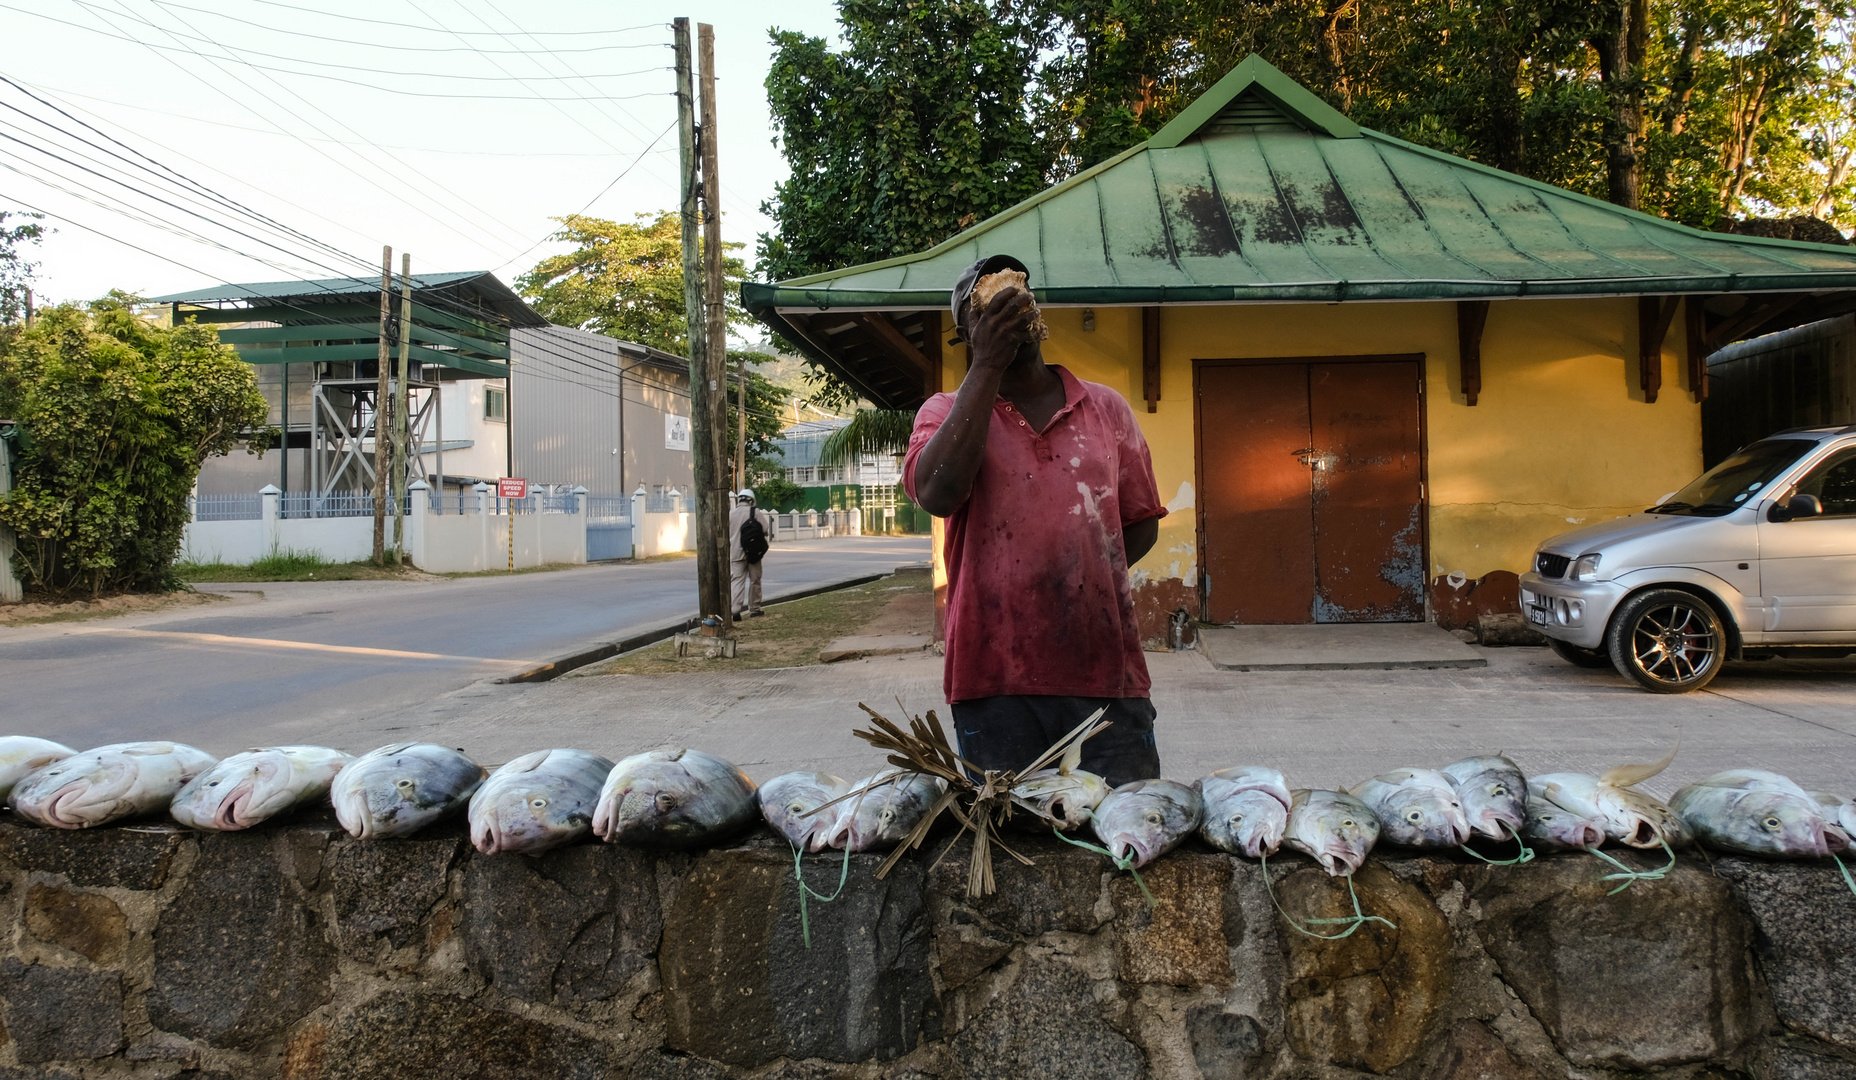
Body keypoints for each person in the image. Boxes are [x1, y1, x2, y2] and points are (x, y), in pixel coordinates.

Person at [904, 254, 1167, 787]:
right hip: (994, 680)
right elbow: (937, 493)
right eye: (983, 305)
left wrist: (1077, 570)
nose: (1004, 306)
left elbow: (1138, 522)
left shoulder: (1107, 408)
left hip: (1105, 675)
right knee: (1011, 846)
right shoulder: (941, 412)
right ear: (966, 332)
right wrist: (986, 366)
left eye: (1014, 292)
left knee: (1122, 831)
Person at [729, 490, 773, 621]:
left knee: (737, 581)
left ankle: (735, 610)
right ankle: (754, 608)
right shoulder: (755, 512)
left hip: (736, 553)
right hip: (753, 553)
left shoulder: (730, 514)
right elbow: (765, 529)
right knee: (755, 580)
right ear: (751, 500)